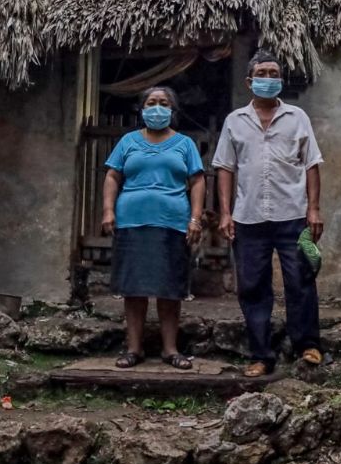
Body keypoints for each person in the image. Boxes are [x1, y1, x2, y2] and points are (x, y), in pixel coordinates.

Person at [212, 50, 325, 377]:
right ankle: (261, 355)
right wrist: (225, 212)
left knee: (301, 279)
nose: (268, 78)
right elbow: (224, 168)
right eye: (262, 73)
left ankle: (307, 345)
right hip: (248, 217)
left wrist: (314, 209)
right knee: (252, 286)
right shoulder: (235, 121)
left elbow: (312, 164)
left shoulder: (297, 117)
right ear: (250, 81)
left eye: (274, 73)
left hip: (293, 214)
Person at [101, 86, 205, 369]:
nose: (157, 108)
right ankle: (134, 349)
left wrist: (195, 218)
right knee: (133, 288)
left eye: (163, 103)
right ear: (142, 109)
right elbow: (112, 175)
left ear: (172, 111)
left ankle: (170, 350)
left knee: (169, 287)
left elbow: (197, 181)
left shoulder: (184, 144)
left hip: (172, 223)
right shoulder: (128, 142)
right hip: (131, 221)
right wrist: (108, 211)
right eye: (151, 103)